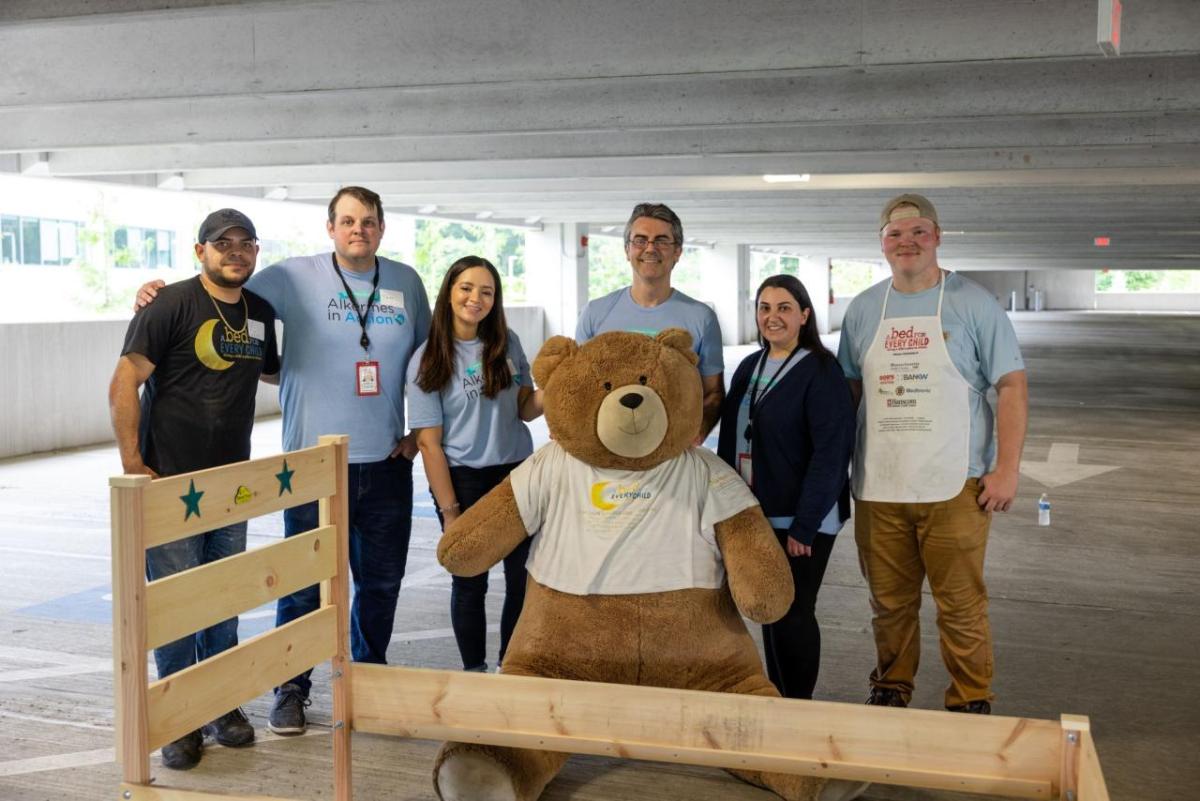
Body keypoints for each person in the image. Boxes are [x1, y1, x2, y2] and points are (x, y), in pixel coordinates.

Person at [135, 187, 432, 735]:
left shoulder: (407, 283)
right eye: (346, 221)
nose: (357, 230)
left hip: (386, 461)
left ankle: (367, 681)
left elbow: (429, 361)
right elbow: (222, 286)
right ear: (330, 228)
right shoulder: (293, 276)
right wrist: (156, 288)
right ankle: (291, 690)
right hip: (309, 468)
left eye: (367, 221)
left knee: (380, 584)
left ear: (382, 228)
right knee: (301, 586)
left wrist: (419, 433)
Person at [837, 193, 1028, 714]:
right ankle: (891, 686)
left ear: (937, 237)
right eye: (896, 234)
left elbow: (1011, 385)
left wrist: (1006, 470)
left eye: (919, 231)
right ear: (881, 244)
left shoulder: (972, 303)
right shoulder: (863, 309)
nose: (908, 242)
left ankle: (970, 699)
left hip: (955, 486)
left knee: (961, 606)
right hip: (879, 485)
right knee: (889, 606)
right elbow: (846, 394)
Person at [109, 209, 279, 769]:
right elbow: (125, 380)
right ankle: (177, 717)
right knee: (178, 602)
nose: (235, 251)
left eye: (245, 243)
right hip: (171, 482)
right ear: (199, 251)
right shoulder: (168, 304)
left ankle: (221, 704)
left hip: (232, 485)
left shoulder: (261, 312)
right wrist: (133, 463)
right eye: (222, 243)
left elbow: (275, 372)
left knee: (223, 596)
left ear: (255, 252)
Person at [717, 275, 855, 700]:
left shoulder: (820, 370)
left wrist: (805, 525)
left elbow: (832, 453)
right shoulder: (749, 366)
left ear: (804, 315)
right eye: (764, 308)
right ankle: (778, 695)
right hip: (756, 511)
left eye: (783, 308)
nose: (772, 317)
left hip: (801, 517)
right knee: (771, 610)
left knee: (794, 611)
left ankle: (798, 706)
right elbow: (728, 440)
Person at [406, 256, 543, 673]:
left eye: (486, 291)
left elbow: (525, 408)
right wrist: (450, 511)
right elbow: (429, 445)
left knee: (522, 578)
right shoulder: (428, 358)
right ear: (449, 292)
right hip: (463, 479)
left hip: (515, 474)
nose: (475, 298)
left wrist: (561, 388)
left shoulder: (508, 342)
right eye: (467, 288)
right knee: (470, 582)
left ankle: (510, 666)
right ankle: (475, 672)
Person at [575, 202, 724, 441]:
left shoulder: (701, 317)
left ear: (677, 252)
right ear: (627, 250)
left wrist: (698, 432)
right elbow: (579, 386)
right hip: (608, 450)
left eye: (662, 241)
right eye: (640, 240)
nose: (650, 248)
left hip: (672, 452)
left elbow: (714, 392)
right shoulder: (595, 312)